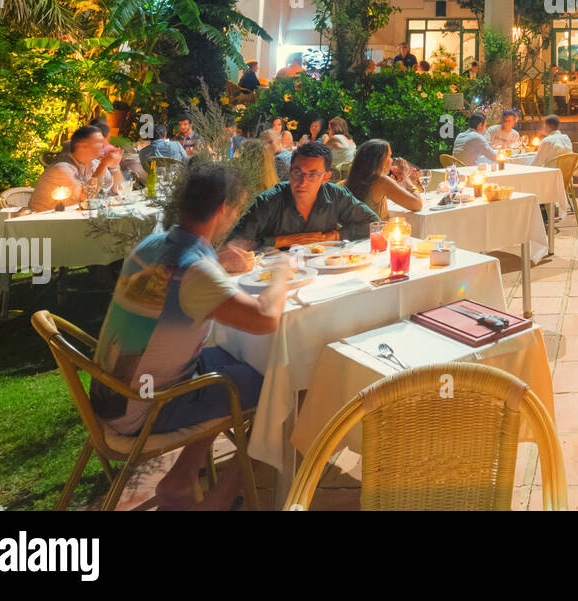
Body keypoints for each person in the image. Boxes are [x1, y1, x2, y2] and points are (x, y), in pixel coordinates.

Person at [90, 163, 281, 509]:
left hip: (113, 393)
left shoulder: (152, 245)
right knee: (278, 384)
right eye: (237, 209)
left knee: (233, 360)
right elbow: (266, 319)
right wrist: (284, 273)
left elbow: (175, 283)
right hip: (145, 411)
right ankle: (221, 499)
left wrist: (216, 264)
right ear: (224, 208)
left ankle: (180, 480)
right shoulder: (196, 270)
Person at [222, 141, 377, 255]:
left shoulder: (335, 195)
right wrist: (283, 241)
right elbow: (232, 245)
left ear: (326, 177)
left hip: (323, 269)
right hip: (275, 275)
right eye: (298, 172)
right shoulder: (269, 201)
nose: (303, 182)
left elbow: (374, 223)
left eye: (313, 175)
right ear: (289, 172)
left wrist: (335, 236)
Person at [31, 125, 126, 211]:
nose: (105, 145)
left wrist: (114, 167)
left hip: (74, 219)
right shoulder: (61, 169)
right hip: (43, 223)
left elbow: (120, 191)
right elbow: (85, 196)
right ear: (82, 147)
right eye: (99, 142)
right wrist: (103, 165)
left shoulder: (96, 164)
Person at [345, 139, 424, 219]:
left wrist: (394, 184)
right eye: (389, 156)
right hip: (376, 230)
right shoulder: (381, 180)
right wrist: (405, 177)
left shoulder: (356, 178)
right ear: (381, 160)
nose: (392, 160)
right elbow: (417, 205)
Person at [533, 114, 578, 185]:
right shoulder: (566, 138)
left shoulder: (546, 141)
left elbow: (537, 163)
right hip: (566, 178)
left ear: (547, 127)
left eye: (543, 125)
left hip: (551, 179)